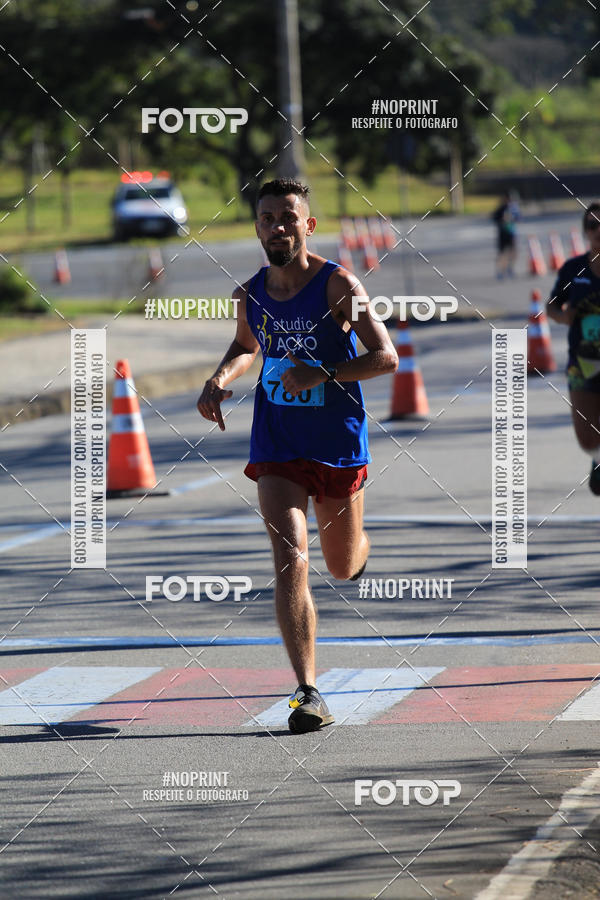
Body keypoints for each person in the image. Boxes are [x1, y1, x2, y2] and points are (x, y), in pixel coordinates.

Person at [197, 178, 398, 733]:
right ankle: (308, 692)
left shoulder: (338, 284)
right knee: (291, 558)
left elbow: (386, 358)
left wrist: (324, 372)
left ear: (307, 226)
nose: (277, 226)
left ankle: (360, 547)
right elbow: (246, 344)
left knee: (340, 563)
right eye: (267, 218)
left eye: (289, 217)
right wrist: (218, 378)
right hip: (278, 442)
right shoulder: (251, 292)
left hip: (336, 444)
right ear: (257, 227)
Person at [546, 201, 600, 494]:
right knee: (587, 440)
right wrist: (563, 315)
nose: (598, 231)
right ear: (585, 232)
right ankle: (597, 458)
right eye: (592, 225)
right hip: (583, 361)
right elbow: (552, 305)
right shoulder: (573, 269)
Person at [492, 191, 520, 278]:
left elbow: (518, 218)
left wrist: (512, 218)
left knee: (513, 252)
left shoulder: (514, 208)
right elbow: (494, 218)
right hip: (502, 234)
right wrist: (502, 220)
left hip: (511, 233)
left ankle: (510, 268)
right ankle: (500, 271)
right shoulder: (501, 209)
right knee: (502, 253)